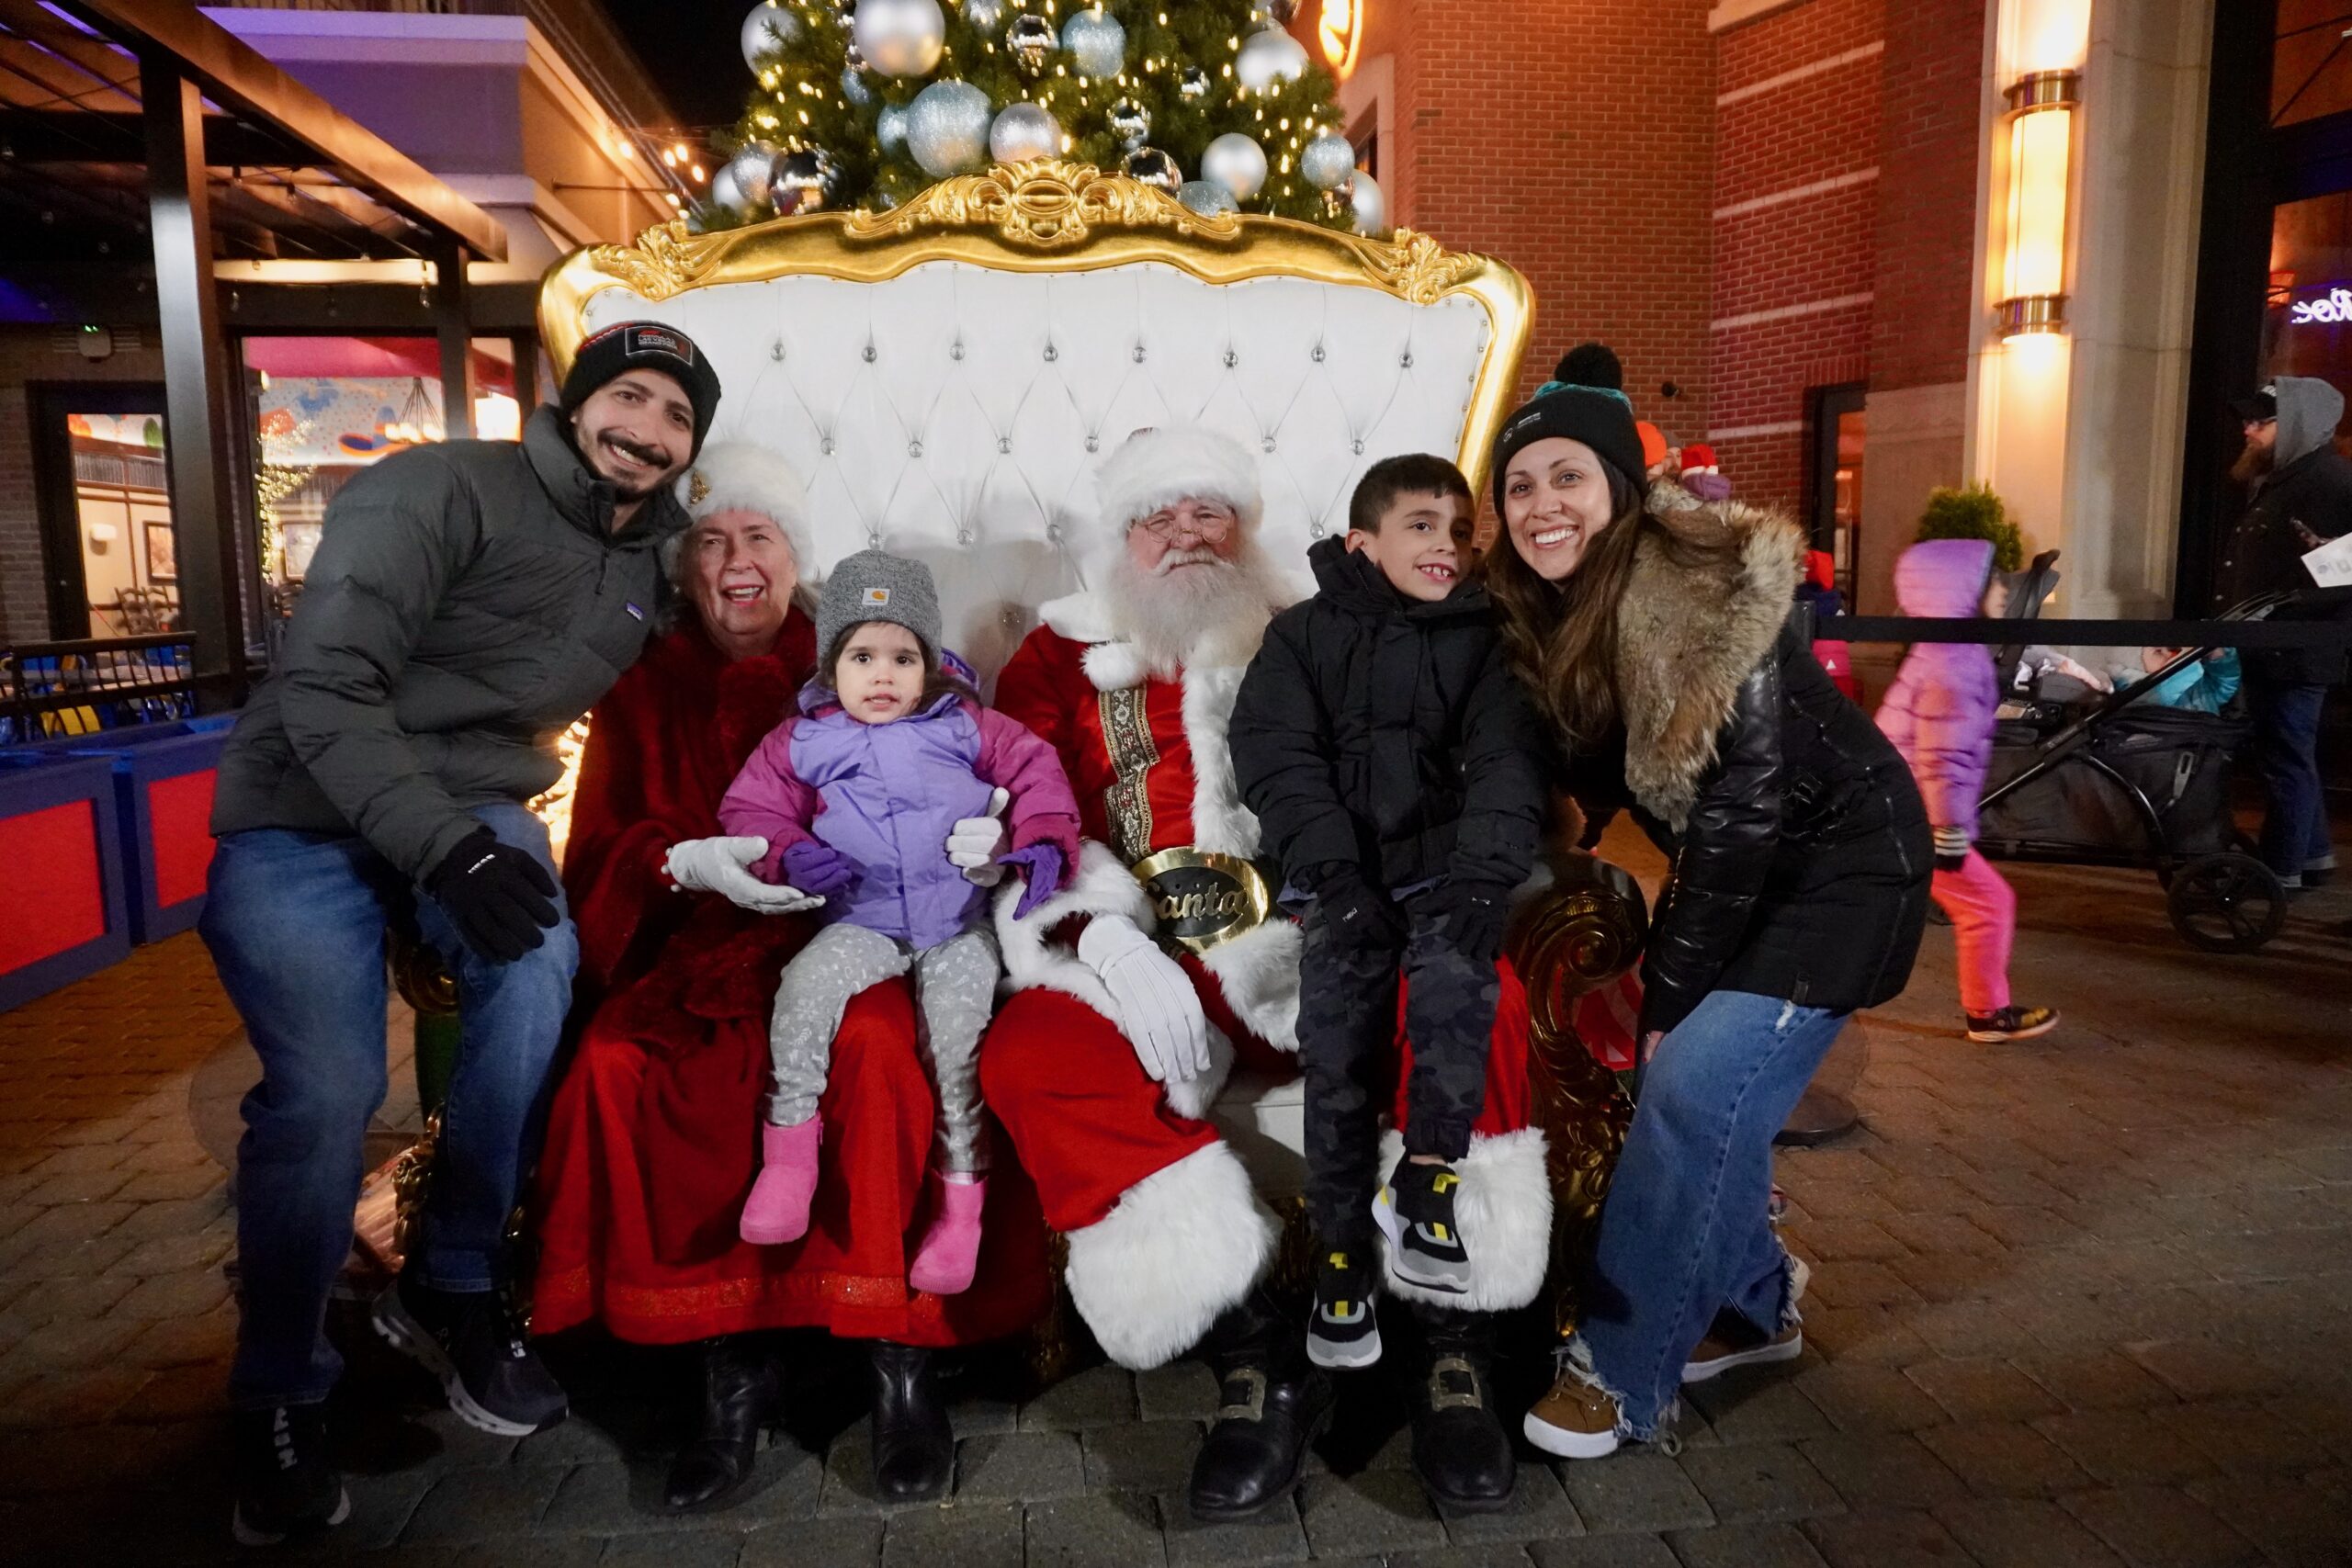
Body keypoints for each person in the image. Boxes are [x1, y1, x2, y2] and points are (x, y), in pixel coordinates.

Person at [200, 321, 721, 1544]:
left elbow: (734, 648)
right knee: (324, 1091)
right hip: (303, 811)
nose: (647, 430)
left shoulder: (650, 556)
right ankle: (276, 1386)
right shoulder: (435, 487)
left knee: (542, 970)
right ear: (572, 398)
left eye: (677, 417)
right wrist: (448, 844)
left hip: (478, 806)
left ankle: (460, 1271)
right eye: (629, 397)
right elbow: (326, 686)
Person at [977, 426, 1553, 1519]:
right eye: (1161, 515)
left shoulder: (1317, 632)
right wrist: (1099, 935)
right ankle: (1257, 1349)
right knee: (1030, 1053)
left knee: (1487, 1000)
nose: (1187, 536)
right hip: (1148, 950)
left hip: (1329, 924)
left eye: (1210, 514)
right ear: (1120, 536)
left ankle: (1451, 1339)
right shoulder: (1056, 658)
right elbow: (1025, 815)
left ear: (1245, 532)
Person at [531, 447, 1052, 1512]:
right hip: (699, 940)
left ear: (791, 561)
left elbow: (1014, 775)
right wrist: (681, 862)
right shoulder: (641, 686)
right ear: (682, 569)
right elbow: (602, 844)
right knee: (624, 1061)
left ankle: (897, 1358)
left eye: (758, 537)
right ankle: (730, 1366)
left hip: (870, 923)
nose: (735, 560)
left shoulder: (875, 673)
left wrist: (1010, 847)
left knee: (877, 1050)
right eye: (711, 541)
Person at [1474, 367, 1930, 1460]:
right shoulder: (1543, 611)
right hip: (1745, 869)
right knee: (1706, 1100)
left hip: (1839, 870)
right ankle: (1757, 1305)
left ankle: (1622, 1377)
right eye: (1521, 483)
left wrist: (1665, 995)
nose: (1543, 503)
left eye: (1569, 477)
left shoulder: (1711, 594)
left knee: (1683, 1084)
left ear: (1621, 488)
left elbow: (1742, 814)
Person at [1229, 455, 1543, 1371]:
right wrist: (1332, 874)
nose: (1445, 546)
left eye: (1458, 530)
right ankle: (1338, 1250)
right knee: (1339, 1025)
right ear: (1362, 540)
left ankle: (1427, 1180)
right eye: (1421, 526)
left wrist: (1484, 877)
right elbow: (1279, 758)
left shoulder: (1490, 638)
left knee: (1455, 986)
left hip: (1447, 874)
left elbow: (1506, 762)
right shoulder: (1301, 637)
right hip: (1342, 881)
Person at [718, 551, 1080, 1292]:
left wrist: (1041, 840)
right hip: (864, 920)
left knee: (955, 1045)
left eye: (902, 657)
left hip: (958, 925)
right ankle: (789, 1159)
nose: (882, 675)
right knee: (804, 989)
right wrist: (789, 855)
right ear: (832, 665)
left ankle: (961, 1207)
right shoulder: (804, 739)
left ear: (929, 664)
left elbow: (1037, 770)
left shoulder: (968, 725)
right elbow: (749, 810)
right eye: (862, 656)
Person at [1875, 538, 2060, 1044]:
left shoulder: (1943, 652)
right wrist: (1949, 828)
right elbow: (1944, 755)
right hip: (1917, 815)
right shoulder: (1955, 664)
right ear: (1962, 595)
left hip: (1896, 807)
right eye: (1993, 583)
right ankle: (1987, 1013)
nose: (2003, 592)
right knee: (1988, 904)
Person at [2219, 378, 2352, 888]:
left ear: (2294, 424)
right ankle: (2312, 854)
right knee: (2288, 753)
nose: (2248, 430)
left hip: (2293, 650)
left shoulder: (2330, 484)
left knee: (2285, 759)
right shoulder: (2291, 480)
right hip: (2277, 646)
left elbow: (2338, 578)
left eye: (2262, 421)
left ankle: (2280, 871)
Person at [2120, 646, 2242, 714]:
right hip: (2177, 752)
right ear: (2138, 664)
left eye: (2174, 649)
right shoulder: (2137, 690)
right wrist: (2187, 659)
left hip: (2215, 745)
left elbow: (2223, 688)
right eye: (2158, 652)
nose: (2170, 655)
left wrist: (2219, 657)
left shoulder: (2196, 681)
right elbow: (2159, 697)